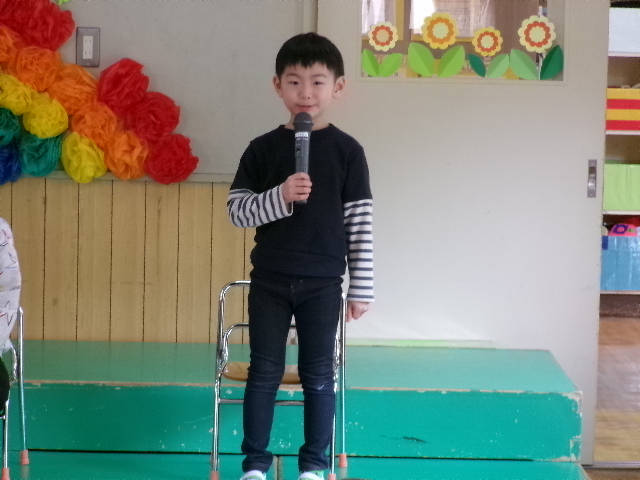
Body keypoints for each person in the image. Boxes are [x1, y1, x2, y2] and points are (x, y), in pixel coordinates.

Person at [227, 32, 374, 480]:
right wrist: (280, 195)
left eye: (317, 82)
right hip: (270, 281)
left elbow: (360, 224)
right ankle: (254, 465)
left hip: (324, 284)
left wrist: (362, 288)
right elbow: (236, 211)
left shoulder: (348, 152)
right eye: (294, 82)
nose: (305, 92)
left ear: (338, 87)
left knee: (318, 375)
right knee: (264, 372)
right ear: (278, 86)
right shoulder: (262, 148)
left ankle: (313, 465)